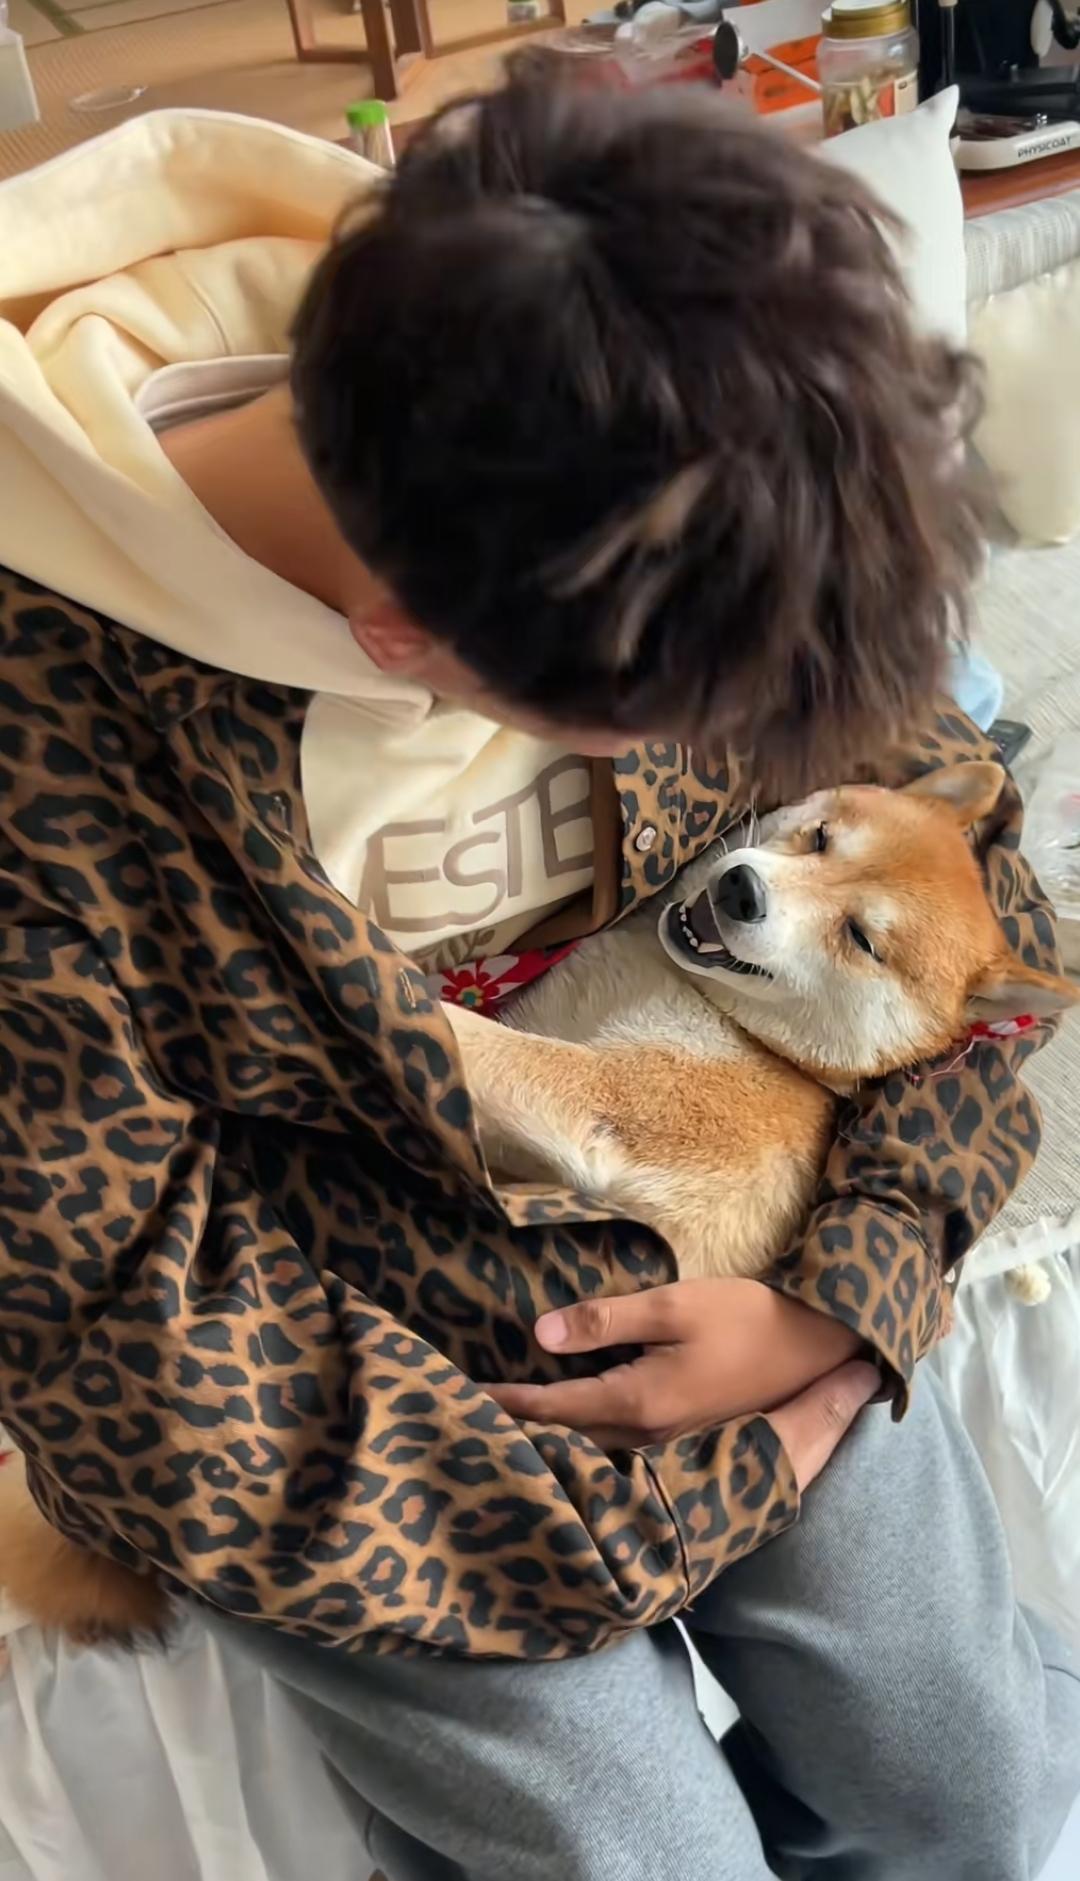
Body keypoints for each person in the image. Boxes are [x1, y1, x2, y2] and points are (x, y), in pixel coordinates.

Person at [0, 71, 1075, 1880]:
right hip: (345, 1392)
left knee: (983, 1793)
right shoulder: (51, 722)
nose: (769, 777)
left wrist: (851, 1298)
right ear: (405, 650)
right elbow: (101, 1312)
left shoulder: (686, 442)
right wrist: (703, 1484)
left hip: (757, 1260)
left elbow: (978, 909)